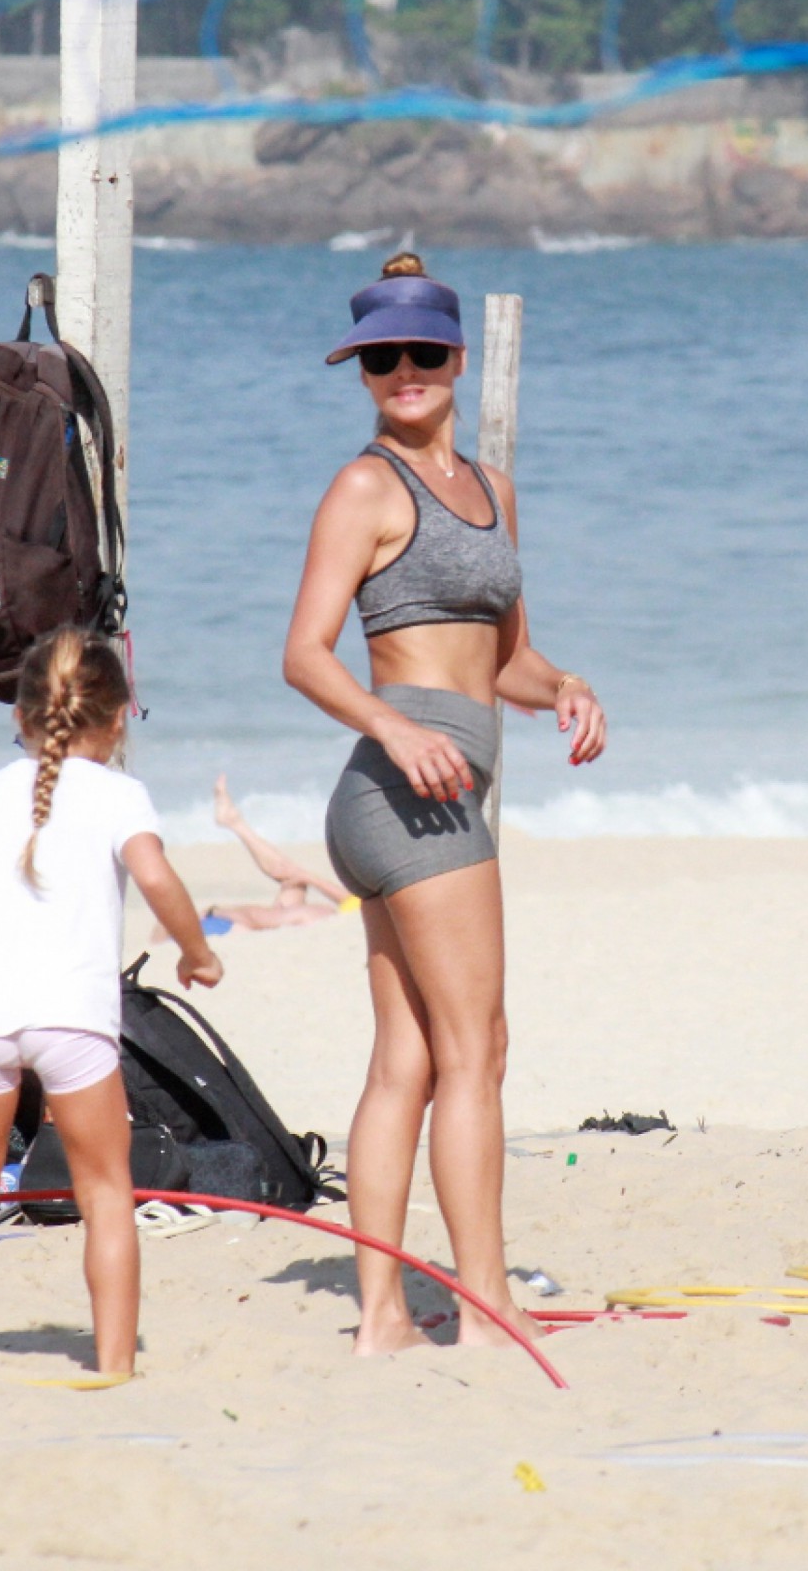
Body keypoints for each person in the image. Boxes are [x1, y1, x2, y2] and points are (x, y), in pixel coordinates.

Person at [283, 252, 606, 1357]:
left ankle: (383, 1318)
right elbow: (305, 653)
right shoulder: (364, 488)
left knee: (410, 1060)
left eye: (423, 352)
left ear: (458, 359)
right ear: (362, 371)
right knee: (479, 1050)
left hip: (428, 787)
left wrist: (564, 687)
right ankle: (483, 1300)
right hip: (403, 791)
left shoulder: (491, 491)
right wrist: (394, 726)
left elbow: (501, 661)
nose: (405, 372)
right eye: (382, 358)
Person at [0, 626, 223, 1376]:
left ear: (20, 716)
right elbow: (157, 878)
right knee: (106, 1193)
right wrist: (196, 953)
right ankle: (113, 1363)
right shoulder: (119, 795)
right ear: (118, 720)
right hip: (72, 1023)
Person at [198, 774, 356, 933]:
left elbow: (254, 918)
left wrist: (215, 912)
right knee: (295, 882)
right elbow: (355, 902)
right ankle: (234, 822)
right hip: (354, 908)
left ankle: (234, 822)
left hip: (219, 924)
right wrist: (306, 877)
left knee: (304, 904)